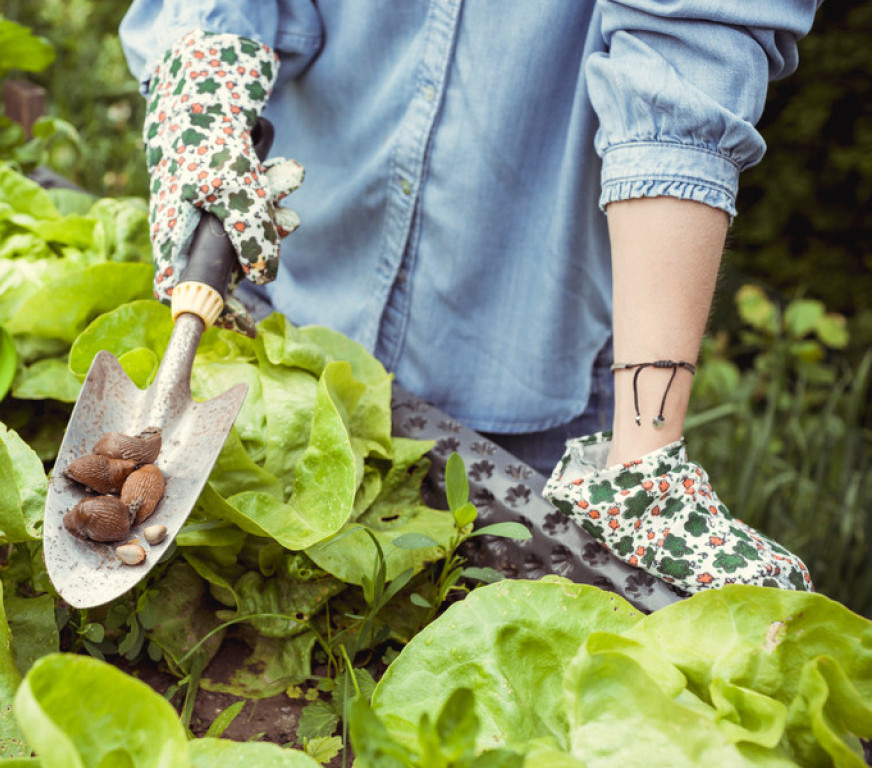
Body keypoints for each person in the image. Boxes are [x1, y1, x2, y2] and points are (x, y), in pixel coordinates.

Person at [118, 1, 817, 594]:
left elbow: (687, 60)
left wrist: (643, 458)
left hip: (532, 378)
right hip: (286, 320)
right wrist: (202, 86)